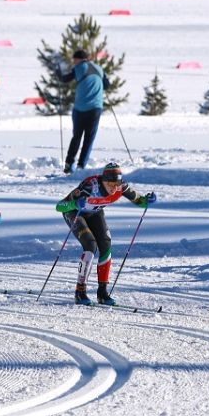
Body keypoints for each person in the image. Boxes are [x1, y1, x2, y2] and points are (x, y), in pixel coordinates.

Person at [55, 162, 156, 306]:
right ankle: (80, 291)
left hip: (95, 213)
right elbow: (59, 206)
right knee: (90, 244)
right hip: (75, 213)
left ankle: (102, 292)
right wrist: (75, 204)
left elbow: (139, 200)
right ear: (103, 181)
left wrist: (147, 200)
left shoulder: (121, 187)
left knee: (106, 244)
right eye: (111, 184)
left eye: (117, 184)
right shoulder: (89, 186)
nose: (114, 188)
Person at [58, 48, 109, 174]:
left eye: (74, 60)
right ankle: (81, 166)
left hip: (80, 109)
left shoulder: (79, 68)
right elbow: (107, 85)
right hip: (96, 109)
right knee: (89, 138)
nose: (74, 62)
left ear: (78, 59)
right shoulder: (99, 68)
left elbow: (64, 79)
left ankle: (69, 164)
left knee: (76, 137)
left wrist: (57, 72)